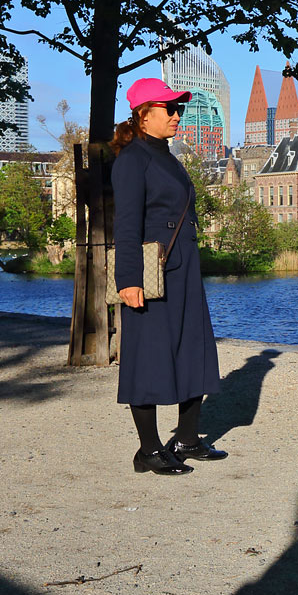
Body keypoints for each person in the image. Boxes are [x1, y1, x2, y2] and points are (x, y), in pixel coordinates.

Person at [111, 78, 226, 475]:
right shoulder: (132, 159)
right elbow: (126, 225)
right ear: (143, 115)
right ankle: (148, 450)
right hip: (151, 275)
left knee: (193, 349)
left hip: (183, 270)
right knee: (148, 357)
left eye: (178, 109)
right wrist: (127, 280)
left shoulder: (166, 155)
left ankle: (188, 440)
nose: (177, 116)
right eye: (169, 109)